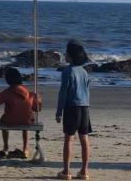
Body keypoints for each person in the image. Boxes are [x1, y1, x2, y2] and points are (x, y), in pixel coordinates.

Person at [0, 66, 41, 159]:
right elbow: (37, 108)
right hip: (26, 121)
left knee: (4, 121)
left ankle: (6, 147)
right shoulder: (30, 94)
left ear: (8, 79)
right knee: (26, 119)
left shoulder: (8, 92)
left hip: (9, 120)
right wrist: (38, 98)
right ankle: (25, 149)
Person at [56, 40, 91, 180]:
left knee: (69, 139)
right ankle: (84, 171)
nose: (65, 54)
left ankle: (66, 171)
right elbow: (87, 91)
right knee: (84, 139)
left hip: (72, 107)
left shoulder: (67, 71)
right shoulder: (84, 71)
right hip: (85, 107)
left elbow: (63, 92)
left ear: (71, 56)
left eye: (66, 52)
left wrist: (59, 111)